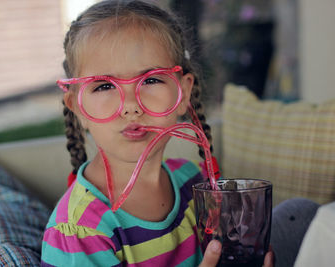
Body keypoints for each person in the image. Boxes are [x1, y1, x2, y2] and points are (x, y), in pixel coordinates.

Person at [41, 1, 274, 266]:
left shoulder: (192, 182)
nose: (130, 106)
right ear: (77, 108)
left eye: (151, 80)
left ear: (183, 93)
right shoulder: (80, 232)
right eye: (104, 86)